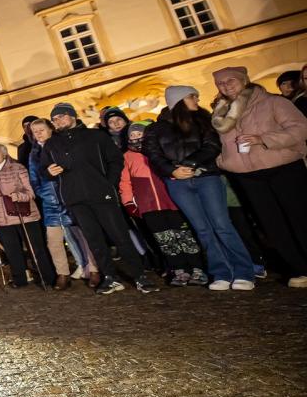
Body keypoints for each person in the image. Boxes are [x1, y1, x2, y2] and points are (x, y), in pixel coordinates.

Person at [38, 102, 159, 294]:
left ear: (72, 115)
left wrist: (109, 184)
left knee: (120, 236)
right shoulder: (52, 144)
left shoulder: (95, 136)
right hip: (75, 199)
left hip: (102, 194)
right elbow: (43, 169)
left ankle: (139, 276)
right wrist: (48, 172)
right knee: (94, 240)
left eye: (61, 116)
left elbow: (115, 160)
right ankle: (110, 277)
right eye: (54, 119)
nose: (57, 121)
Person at [142, 88, 253, 290]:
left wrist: (189, 164)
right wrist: (172, 171)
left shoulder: (203, 120)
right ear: (178, 100)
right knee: (202, 229)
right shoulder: (155, 128)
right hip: (177, 183)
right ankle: (221, 272)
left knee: (222, 225)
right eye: (192, 96)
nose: (197, 99)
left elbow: (212, 146)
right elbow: (153, 154)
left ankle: (244, 272)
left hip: (206, 177)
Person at [210, 66, 307, 287]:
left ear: (244, 80)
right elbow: (217, 144)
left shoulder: (273, 102)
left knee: (301, 218)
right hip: (248, 176)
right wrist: (224, 160)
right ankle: (300, 269)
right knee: (272, 225)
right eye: (221, 83)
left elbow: (301, 128)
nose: (226, 86)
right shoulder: (220, 112)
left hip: (284, 168)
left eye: (231, 80)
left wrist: (264, 139)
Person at [119, 121, 206, 287]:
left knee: (184, 235)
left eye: (139, 134)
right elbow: (125, 182)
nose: (136, 138)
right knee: (165, 239)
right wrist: (129, 202)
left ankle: (197, 268)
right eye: (132, 135)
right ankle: (179, 270)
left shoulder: (159, 150)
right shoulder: (127, 157)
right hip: (148, 205)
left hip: (172, 200)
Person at [0, 143, 57, 289]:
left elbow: (31, 192)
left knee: (36, 248)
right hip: (1, 218)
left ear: (4, 153)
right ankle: (20, 279)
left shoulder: (18, 168)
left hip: (24, 215)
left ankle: (47, 277)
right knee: (12, 251)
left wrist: (19, 196)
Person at [26, 118, 94, 289]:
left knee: (83, 235)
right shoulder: (34, 153)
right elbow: (33, 177)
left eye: (41, 130)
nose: (38, 134)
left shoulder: (61, 144)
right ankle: (62, 273)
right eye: (35, 132)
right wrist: (42, 192)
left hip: (70, 197)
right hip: (50, 202)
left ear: (50, 129)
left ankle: (94, 269)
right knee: (54, 241)